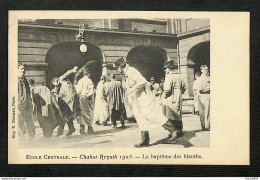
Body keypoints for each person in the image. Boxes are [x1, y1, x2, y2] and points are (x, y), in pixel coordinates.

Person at [112, 57, 168, 148]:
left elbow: (142, 81)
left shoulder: (131, 71)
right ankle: (144, 140)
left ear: (120, 67)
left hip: (143, 98)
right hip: (137, 100)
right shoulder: (127, 73)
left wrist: (132, 90)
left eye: (117, 68)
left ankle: (173, 130)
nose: (118, 70)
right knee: (140, 119)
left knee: (152, 116)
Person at [161, 60, 186, 141]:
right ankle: (180, 131)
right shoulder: (180, 76)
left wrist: (164, 95)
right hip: (178, 97)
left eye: (166, 69)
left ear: (169, 68)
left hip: (170, 98)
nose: (165, 70)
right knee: (178, 114)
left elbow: (167, 90)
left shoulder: (169, 77)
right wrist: (179, 93)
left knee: (170, 114)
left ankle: (174, 133)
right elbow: (184, 87)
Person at [51, 66, 78, 137]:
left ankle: (60, 132)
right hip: (64, 102)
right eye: (55, 83)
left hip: (67, 101)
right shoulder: (57, 87)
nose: (56, 83)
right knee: (66, 116)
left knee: (64, 117)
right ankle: (70, 129)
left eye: (57, 81)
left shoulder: (62, 81)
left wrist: (72, 70)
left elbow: (66, 74)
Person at [75, 66, 96, 135]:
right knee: (88, 113)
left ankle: (82, 130)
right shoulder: (89, 80)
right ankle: (90, 129)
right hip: (87, 99)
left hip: (81, 98)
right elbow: (91, 90)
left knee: (82, 113)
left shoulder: (80, 80)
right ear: (89, 73)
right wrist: (88, 96)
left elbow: (77, 91)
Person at [18, 63, 35, 139]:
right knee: (20, 122)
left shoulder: (25, 80)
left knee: (29, 121)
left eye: (24, 69)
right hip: (20, 105)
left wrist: (30, 101)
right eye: (21, 69)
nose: (23, 70)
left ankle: (31, 139)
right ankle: (21, 140)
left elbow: (28, 92)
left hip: (27, 104)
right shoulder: (15, 80)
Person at [196, 65, 210, 131]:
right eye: (205, 69)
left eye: (207, 69)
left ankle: (208, 125)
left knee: (209, 111)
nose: (206, 71)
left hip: (209, 95)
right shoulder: (200, 79)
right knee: (204, 111)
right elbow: (200, 89)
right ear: (201, 70)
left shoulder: (209, 78)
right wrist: (208, 89)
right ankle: (204, 126)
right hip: (203, 96)